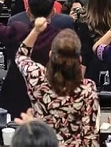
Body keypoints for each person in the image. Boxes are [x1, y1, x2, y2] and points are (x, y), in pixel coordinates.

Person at [0, 0, 67, 117]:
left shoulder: (16, 30)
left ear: (28, 12)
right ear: (53, 12)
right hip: (51, 99)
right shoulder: (61, 37)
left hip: (18, 96)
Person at [16, 18, 99, 146]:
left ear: (50, 55)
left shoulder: (36, 76)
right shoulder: (87, 89)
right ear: (80, 59)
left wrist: (36, 30)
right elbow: (90, 138)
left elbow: (21, 55)